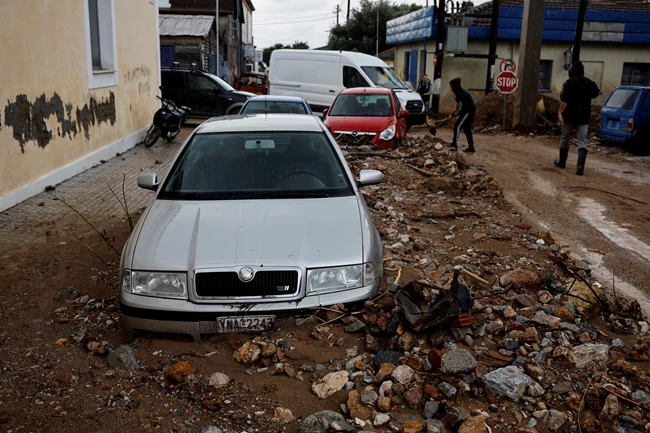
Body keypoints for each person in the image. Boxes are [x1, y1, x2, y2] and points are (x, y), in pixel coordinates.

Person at [555, 61, 600, 175]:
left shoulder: (568, 83)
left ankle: (562, 162)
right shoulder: (589, 83)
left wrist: (560, 112)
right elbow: (595, 93)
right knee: (582, 140)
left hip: (569, 116)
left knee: (565, 137)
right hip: (583, 117)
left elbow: (564, 100)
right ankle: (580, 167)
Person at [448, 77, 476, 152]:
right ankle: (471, 147)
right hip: (466, 111)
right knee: (467, 129)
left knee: (457, 126)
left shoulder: (461, 94)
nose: (451, 88)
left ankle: (454, 144)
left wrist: (453, 115)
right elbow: (459, 107)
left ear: (454, 86)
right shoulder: (457, 93)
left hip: (469, 112)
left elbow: (460, 109)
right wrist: (453, 114)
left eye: (451, 86)